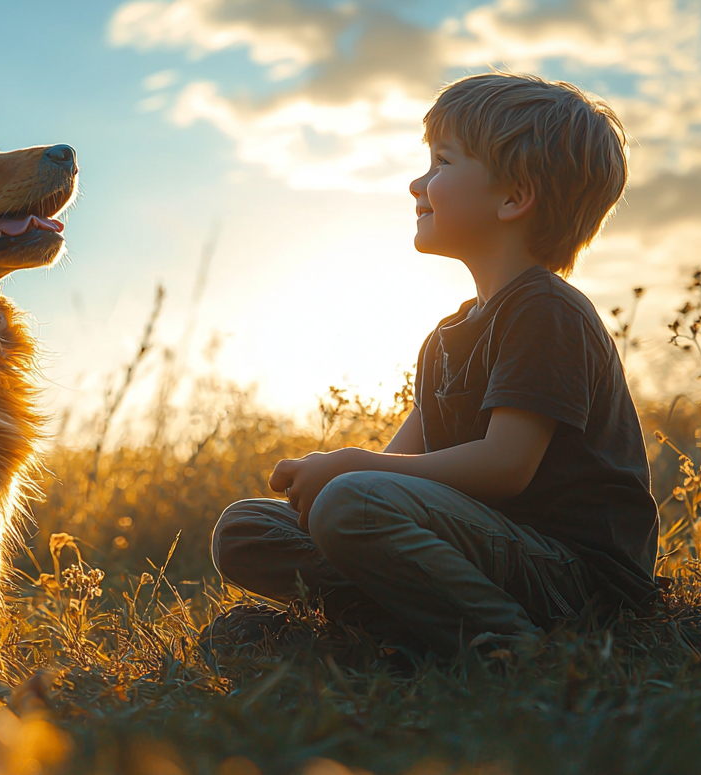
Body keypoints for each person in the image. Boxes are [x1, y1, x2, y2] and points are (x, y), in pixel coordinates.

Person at [206, 71, 659, 658]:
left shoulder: (545, 309)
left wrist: (350, 471)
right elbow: (396, 470)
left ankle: (514, 647)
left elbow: (506, 467)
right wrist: (332, 480)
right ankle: (405, 626)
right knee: (246, 528)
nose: (418, 183)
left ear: (513, 197)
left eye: (442, 163)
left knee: (352, 502)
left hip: (572, 573)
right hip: (482, 548)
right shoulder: (445, 338)